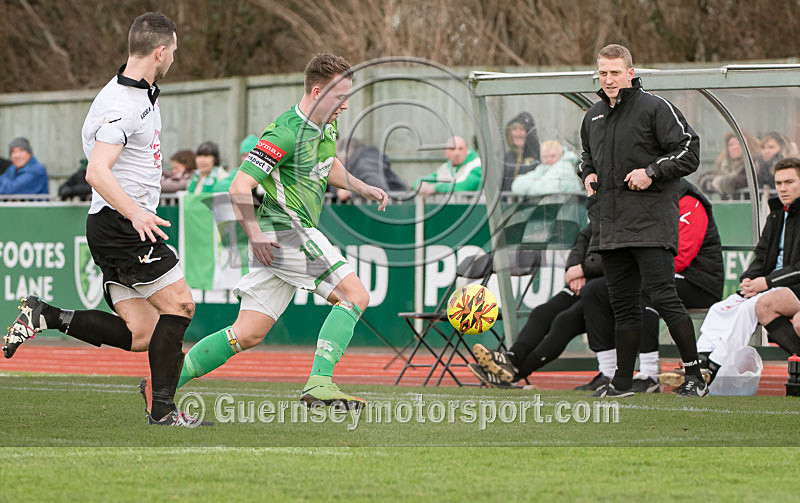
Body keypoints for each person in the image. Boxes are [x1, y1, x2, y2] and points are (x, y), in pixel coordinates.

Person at [2, 12, 205, 427]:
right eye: (174, 52)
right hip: (122, 224)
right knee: (182, 305)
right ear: (160, 51)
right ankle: (164, 411)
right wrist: (136, 212)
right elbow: (96, 171)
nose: (174, 59)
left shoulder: (138, 93)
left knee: (142, 334)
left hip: (111, 224)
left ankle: (47, 315)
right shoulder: (121, 106)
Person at [163, 53, 388, 409]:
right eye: (340, 96)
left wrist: (363, 187)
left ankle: (162, 381)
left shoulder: (326, 127)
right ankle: (319, 383)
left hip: (283, 237)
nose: (345, 105)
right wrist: (255, 235)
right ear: (317, 91)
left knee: (248, 333)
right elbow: (239, 186)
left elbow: (327, 165)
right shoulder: (284, 131)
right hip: (285, 233)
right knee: (355, 296)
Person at [580, 44, 705, 397]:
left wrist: (652, 171)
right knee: (623, 306)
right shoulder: (592, 116)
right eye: (603, 73)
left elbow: (689, 150)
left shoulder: (655, 107)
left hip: (650, 224)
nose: (609, 79)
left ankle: (694, 376)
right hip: (610, 228)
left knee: (664, 299)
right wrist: (586, 173)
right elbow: (586, 158)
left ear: (630, 72)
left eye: (615, 72)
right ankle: (621, 382)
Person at [661, 158, 800, 387]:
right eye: (779, 183)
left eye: (790, 182)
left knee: (750, 308)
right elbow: (762, 254)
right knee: (721, 308)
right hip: (770, 285)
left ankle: (714, 367)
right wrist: (749, 278)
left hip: (791, 286)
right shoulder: (777, 213)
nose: (783, 188)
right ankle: (699, 360)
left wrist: (766, 281)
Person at [579, 179, 723, 393]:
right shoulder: (632, 199)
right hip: (657, 274)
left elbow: (681, 257)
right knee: (594, 291)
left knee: (646, 289)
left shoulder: (689, 201)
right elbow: (591, 236)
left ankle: (650, 373)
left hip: (698, 282)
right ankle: (609, 372)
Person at [469, 224, 603, 388]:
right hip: (582, 282)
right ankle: (510, 358)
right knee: (542, 313)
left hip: (608, 287)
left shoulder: (625, 211)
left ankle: (514, 374)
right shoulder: (600, 211)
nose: (592, 197)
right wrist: (574, 268)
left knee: (564, 321)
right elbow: (581, 242)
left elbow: (617, 256)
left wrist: (583, 270)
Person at [333, 137, 406, 202]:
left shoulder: (365, 162)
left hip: (392, 206)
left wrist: (350, 193)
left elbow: (378, 186)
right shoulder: (364, 159)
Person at [413, 136, 482, 195]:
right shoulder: (445, 167)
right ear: (446, 152)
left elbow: (465, 187)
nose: (457, 153)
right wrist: (420, 186)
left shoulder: (477, 164)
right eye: (452, 149)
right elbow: (420, 181)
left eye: (460, 149)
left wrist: (435, 188)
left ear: (466, 150)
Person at [510, 140, 582, 196]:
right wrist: (538, 183)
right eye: (545, 156)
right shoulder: (543, 168)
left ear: (561, 155)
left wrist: (534, 182)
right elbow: (516, 185)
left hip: (566, 212)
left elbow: (547, 189)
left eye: (552, 156)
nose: (548, 159)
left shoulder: (564, 167)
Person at [698, 132, 759, 199]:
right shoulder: (724, 165)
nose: (734, 147)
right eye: (731, 144)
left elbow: (741, 181)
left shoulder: (753, 164)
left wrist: (718, 182)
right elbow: (703, 179)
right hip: (728, 207)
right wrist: (715, 182)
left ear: (749, 146)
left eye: (739, 143)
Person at [502, 112, 540, 191]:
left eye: (522, 129)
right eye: (514, 129)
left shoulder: (538, 155)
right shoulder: (508, 157)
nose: (518, 134)